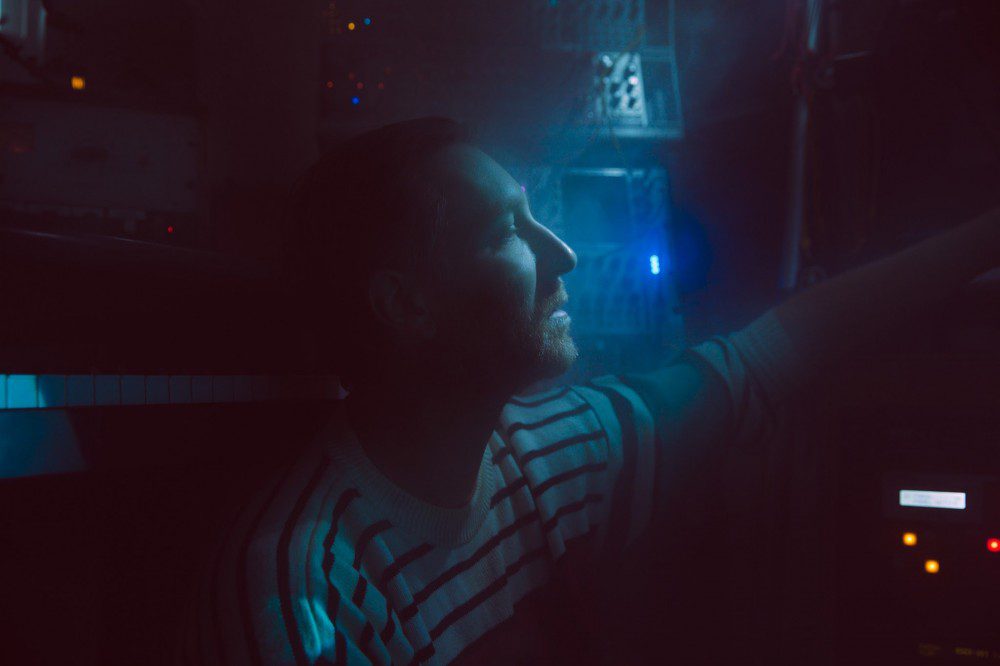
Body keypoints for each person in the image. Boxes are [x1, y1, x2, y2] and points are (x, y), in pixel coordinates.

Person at [181, 118, 999, 665]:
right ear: (406, 305)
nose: (563, 255)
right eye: (507, 231)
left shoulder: (539, 454)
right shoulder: (306, 589)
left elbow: (763, 359)